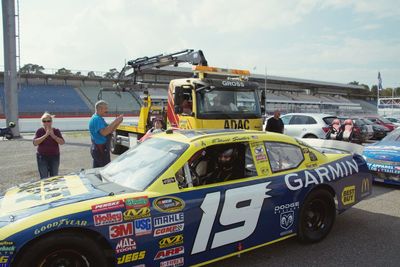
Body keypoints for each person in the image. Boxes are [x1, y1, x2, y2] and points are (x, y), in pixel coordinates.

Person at [89, 100, 123, 168]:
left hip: (100, 149)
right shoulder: (96, 119)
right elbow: (104, 133)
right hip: (100, 149)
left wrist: (118, 123)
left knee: (98, 169)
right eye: (105, 108)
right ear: (100, 109)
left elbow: (110, 131)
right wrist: (115, 121)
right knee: (105, 169)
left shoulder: (99, 119)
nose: (107, 110)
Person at [33, 112, 65, 179]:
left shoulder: (56, 131)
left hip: (54, 157)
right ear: (42, 122)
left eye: (48, 121)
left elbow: (62, 142)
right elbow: (35, 143)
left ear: (51, 121)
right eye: (44, 121)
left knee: (54, 177)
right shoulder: (39, 131)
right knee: (44, 177)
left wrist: (53, 136)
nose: (46, 123)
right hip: (42, 157)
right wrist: (46, 135)